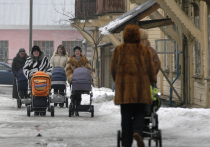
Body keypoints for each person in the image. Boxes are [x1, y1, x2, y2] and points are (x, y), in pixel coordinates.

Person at [110, 24, 157, 147]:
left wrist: (119, 81)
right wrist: (151, 82)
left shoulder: (119, 50)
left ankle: (126, 143)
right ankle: (137, 133)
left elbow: (113, 69)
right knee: (139, 115)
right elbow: (151, 70)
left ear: (125, 35)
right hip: (141, 91)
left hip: (124, 92)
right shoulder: (144, 50)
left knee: (125, 118)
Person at [23, 45, 52, 116]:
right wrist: (30, 74)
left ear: (39, 52)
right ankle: (35, 107)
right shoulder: (29, 60)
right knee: (34, 94)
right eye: (34, 51)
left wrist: (46, 74)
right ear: (32, 52)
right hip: (33, 81)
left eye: (37, 51)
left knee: (43, 94)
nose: (36, 52)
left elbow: (50, 68)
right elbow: (25, 69)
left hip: (43, 80)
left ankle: (43, 108)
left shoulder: (45, 59)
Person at [65, 46, 92, 116]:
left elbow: (89, 68)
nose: (77, 52)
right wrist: (70, 76)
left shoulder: (85, 59)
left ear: (80, 52)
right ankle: (73, 106)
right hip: (74, 79)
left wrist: (89, 76)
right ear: (74, 52)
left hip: (82, 79)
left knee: (79, 94)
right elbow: (68, 69)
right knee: (74, 93)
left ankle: (77, 107)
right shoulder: (70, 59)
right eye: (76, 51)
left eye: (78, 51)